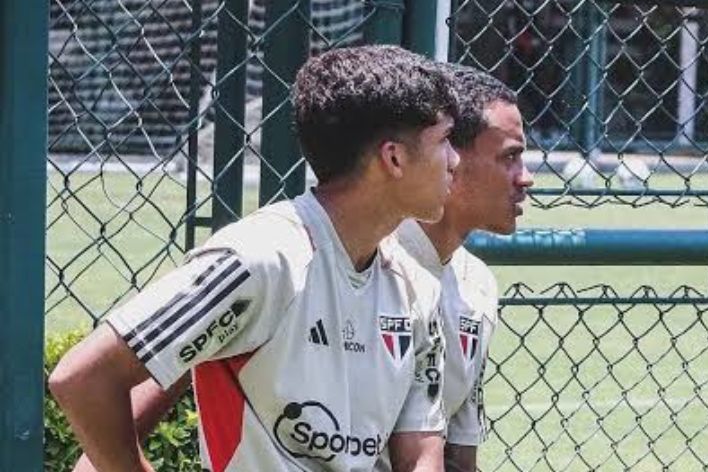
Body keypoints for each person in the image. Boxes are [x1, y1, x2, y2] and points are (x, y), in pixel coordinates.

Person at [66, 64, 534, 472]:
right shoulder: (264, 257)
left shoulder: (424, 286)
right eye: (443, 143)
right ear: (393, 158)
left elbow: (429, 455)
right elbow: (89, 379)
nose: (451, 161)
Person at [391, 64, 533, 472]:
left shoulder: (478, 285)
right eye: (510, 157)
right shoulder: (368, 262)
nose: (526, 178)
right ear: (449, 155)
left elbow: (459, 455)